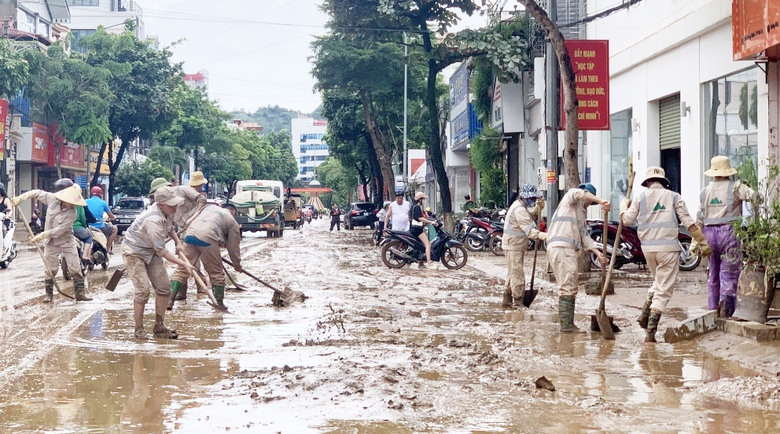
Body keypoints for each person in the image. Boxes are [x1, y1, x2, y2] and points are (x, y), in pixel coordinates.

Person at [621, 167, 711, 343]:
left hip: (648, 250)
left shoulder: (640, 197)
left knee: (658, 282)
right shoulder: (674, 197)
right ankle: (650, 332)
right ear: (664, 182)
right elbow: (688, 222)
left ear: (647, 182)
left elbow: (626, 221)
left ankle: (645, 314)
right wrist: (702, 241)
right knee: (664, 290)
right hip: (668, 249)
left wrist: (623, 207)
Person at [122, 186, 195, 339]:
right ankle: (139, 329)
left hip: (151, 251)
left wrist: (177, 242)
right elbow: (161, 250)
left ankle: (159, 326)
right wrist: (183, 264)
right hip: (134, 252)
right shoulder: (152, 220)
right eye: (171, 205)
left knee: (164, 288)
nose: (175, 207)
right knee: (143, 291)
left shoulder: (167, 212)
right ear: (161, 204)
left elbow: (170, 228)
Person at [698, 156, 757, 318]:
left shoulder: (704, 192)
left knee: (713, 273)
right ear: (728, 171)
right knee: (729, 272)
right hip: (729, 233)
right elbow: (756, 197)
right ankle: (726, 311)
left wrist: (695, 242)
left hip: (708, 235)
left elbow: (699, 219)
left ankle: (712, 311)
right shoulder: (735, 188)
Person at [11, 183, 92, 302]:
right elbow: (37, 193)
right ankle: (49, 295)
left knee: (75, 267)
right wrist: (22, 197)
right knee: (50, 268)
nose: (72, 204)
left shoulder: (72, 213)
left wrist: (43, 235)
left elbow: (59, 230)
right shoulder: (52, 199)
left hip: (67, 241)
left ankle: (80, 293)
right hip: (51, 242)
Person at [546, 183, 609, 332]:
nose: (589, 204)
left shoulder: (580, 213)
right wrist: (601, 201)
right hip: (562, 247)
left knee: (570, 284)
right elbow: (578, 193)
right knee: (567, 285)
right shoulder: (570, 199)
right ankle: (567, 326)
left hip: (565, 249)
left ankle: (568, 324)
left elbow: (584, 236)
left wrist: (598, 253)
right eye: (590, 202)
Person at [169, 203, 242, 309]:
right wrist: (237, 264)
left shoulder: (209, 208)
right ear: (234, 213)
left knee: (182, 269)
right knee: (216, 272)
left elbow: (190, 221)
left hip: (190, 234)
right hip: (207, 237)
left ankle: (170, 301)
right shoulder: (232, 221)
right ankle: (219, 303)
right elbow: (233, 247)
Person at [502, 183, 546, 307]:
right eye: (532, 199)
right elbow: (530, 231)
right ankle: (518, 301)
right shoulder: (520, 209)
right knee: (517, 273)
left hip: (514, 245)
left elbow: (528, 217)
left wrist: (537, 210)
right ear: (524, 197)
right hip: (513, 245)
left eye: (534, 199)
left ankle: (506, 300)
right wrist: (545, 236)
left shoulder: (519, 206)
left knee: (512, 272)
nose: (533, 201)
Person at [86, 186, 118, 253]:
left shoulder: (85, 201)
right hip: (99, 227)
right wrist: (114, 218)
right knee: (115, 229)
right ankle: (108, 248)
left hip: (88, 226)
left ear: (91, 193)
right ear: (100, 195)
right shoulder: (103, 203)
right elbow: (111, 216)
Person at [410, 192, 438, 268]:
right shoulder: (417, 207)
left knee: (420, 246)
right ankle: (429, 262)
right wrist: (431, 222)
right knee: (428, 244)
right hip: (417, 230)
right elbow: (420, 218)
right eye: (423, 199)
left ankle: (421, 263)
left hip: (414, 228)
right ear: (420, 200)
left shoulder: (414, 207)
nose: (424, 201)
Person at [73, 200, 94, 267]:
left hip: (64, 228)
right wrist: (85, 227)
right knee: (89, 236)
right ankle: (85, 255)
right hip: (77, 227)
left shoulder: (63, 203)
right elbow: (82, 217)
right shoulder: (79, 204)